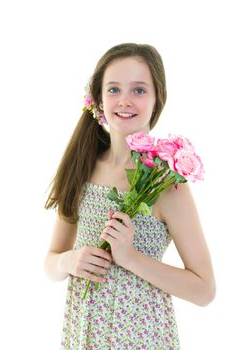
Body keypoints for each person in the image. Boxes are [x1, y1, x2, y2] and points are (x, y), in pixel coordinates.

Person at [44, 43, 216, 349]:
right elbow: (51, 261)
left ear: (156, 99)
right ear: (97, 98)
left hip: (142, 339)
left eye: (138, 90)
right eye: (113, 90)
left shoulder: (165, 184)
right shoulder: (81, 169)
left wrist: (129, 258)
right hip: (84, 335)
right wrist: (70, 261)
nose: (124, 101)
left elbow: (204, 290)